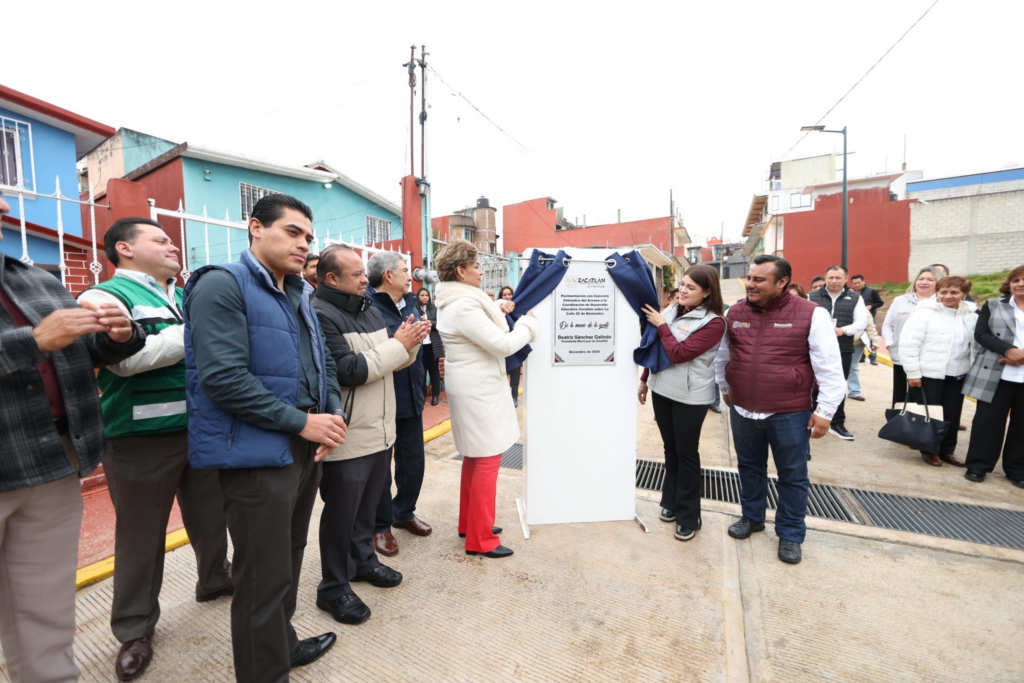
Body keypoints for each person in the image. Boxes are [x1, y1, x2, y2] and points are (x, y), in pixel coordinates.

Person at [184, 194, 346, 681]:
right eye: (292, 232)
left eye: (308, 237)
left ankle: (282, 645)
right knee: (260, 575)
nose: (304, 244)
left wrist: (331, 415)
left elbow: (323, 362)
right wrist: (302, 422)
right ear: (255, 227)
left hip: (303, 444)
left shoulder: (299, 292)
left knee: (289, 556)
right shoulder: (222, 283)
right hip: (257, 453)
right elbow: (222, 378)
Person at [0, 195, 145, 683]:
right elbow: (42, 342)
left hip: (53, 461)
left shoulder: (34, 278)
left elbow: (79, 352)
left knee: (46, 609)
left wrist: (117, 337)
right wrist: (32, 341)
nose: (4, 205)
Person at [79, 218, 232, 681]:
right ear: (124, 248)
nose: (173, 245)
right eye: (160, 239)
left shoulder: (185, 296)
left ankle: (215, 579)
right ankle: (135, 629)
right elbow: (125, 362)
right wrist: (200, 332)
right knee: (141, 536)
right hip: (139, 438)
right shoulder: (102, 296)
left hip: (198, 428)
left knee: (211, 514)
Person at [311, 246, 427, 623]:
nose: (366, 279)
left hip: (380, 429)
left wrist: (410, 345)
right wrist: (398, 345)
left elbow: (388, 361)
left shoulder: (369, 309)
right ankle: (333, 587)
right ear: (332, 279)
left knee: (367, 509)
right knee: (341, 515)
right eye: (357, 274)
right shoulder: (319, 313)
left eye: (364, 272)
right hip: (350, 433)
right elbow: (350, 370)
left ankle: (363, 562)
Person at [715, 255, 845, 565]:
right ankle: (752, 517)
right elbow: (723, 355)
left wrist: (825, 411)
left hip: (789, 413)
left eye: (759, 279)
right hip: (744, 410)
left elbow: (829, 366)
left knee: (792, 475)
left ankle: (790, 534)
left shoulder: (811, 314)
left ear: (782, 282)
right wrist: (725, 388)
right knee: (749, 468)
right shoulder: (735, 313)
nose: (750, 284)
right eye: (749, 278)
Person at [435, 240, 538, 558]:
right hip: (478, 390)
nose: (481, 271)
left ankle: (471, 523)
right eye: (476, 266)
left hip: (471, 387)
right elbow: (502, 344)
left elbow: (482, 325)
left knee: (475, 456)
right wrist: (528, 325)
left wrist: (499, 308)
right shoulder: (464, 306)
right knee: (487, 458)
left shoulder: (457, 301)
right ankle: (480, 539)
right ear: (460, 271)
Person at [638, 265, 726, 542]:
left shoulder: (714, 323)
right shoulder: (671, 311)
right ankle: (671, 501)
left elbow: (679, 353)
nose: (683, 290)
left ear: (707, 292)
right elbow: (655, 346)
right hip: (662, 390)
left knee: (687, 454)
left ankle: (689, 516)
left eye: (691, 287)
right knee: (670, 450)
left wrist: (661, 326)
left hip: (690, 397)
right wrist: (644, 380)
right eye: (682, 284)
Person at [365, 252, 435, 558]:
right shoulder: (368, 307)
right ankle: (380, 526)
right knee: (381, 469)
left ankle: (403, 511)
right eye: (405, 271)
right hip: (383, 398)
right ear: (388, 275)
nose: (411, 276)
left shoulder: (409, 303)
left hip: (412, 394)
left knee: (413, 462)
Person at [897, 276, 977, 467]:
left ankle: (947, 450)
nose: (948, 296)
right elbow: (908, 344)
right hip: (928, 374)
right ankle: (929, 449)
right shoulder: (924, 314)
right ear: (937, 293)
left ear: (964, 294)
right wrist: (913, 373)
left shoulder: (971, 316)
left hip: (958, 374)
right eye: (943, 292)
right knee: (930, 413)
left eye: (954, 292)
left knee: (952, 414)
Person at [963, 265, 1024, 487]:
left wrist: (1021, 356)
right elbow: (981, 333)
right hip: (995, 373)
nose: (1020, 284)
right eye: (1016, 280)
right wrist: (1008, 350)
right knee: (987, 422)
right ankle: (978, 465)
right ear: (1009, 284)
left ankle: (1017, 469)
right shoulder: (993, 305)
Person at [808, 265, 868, 440]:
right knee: (813, 384)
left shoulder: (855, 298)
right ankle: (812, 417)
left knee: (839, 385)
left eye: (838, 278)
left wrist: (843, 330)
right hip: (816, 349)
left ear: (846, 278)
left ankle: (837, 422)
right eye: (830, 277)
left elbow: (861, 321)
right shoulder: (812, 296)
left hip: (843, 347)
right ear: (825, 278)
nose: (834, 281)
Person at [882, 266, 941, 407]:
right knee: (900, 393)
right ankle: (898, 418)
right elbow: (888, 324)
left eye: (930, 279)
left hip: (928, 359)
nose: (924, 282)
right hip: (901, 356)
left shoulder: (941, 303)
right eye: (921, 279)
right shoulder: (900, 301)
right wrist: (890, 344)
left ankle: (920, 419)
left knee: (921, 395)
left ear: (939, 283)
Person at [416, 287, 445, 406]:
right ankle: (422, 395)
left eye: (426, 295)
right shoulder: (414, 309)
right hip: (420, 346)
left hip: (432, 345)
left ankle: (435, 395)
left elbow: (440, 324)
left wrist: (428, 322)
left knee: (434, 371)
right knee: (421, 372)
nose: (424, 297)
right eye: (422, 295)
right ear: (418, 296)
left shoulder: (434, 309)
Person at [847, 315, 882, 402]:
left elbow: (870, 326)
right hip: (839, 340)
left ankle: (854, 392)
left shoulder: (863, 310)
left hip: (857, 341)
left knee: (853, 366)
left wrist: (875, 341)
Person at [850, 273, 883, 365]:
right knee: (859, 338)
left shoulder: (871, 291)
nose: (857, 285)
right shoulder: (851, 292)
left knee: (871, 337)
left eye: (859, 282)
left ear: (864, 281)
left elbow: (880, 302)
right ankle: (861, 357)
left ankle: (873, 357)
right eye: (854, 283)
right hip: (856, 320)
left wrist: (870, 306)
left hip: (870, 318)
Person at [499, 285, 522, 406]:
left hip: (515, 347)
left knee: (515, 374)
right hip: (502, 346)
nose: (507, 297)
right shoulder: (497, 310)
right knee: (502, 375)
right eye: (504, 295)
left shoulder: (518, 309)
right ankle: (503, 399)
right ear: (501, 297)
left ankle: (514, 397)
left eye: (509, 294)